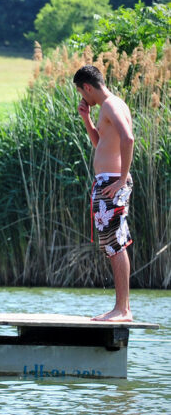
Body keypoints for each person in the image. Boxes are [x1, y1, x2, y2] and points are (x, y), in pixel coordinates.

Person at [74, 65, 135, 322]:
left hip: (112, 182)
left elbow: (128, 139)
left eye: (81, 92)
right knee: (113, 245)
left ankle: (123, 309)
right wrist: (87, 120)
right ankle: (121, 307)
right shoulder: (113, 105)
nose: (82, 97)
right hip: (107, 181)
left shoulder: (110, 106)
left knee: (116, 244)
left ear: (87, 87)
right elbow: (102, 144)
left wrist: (121, 179)